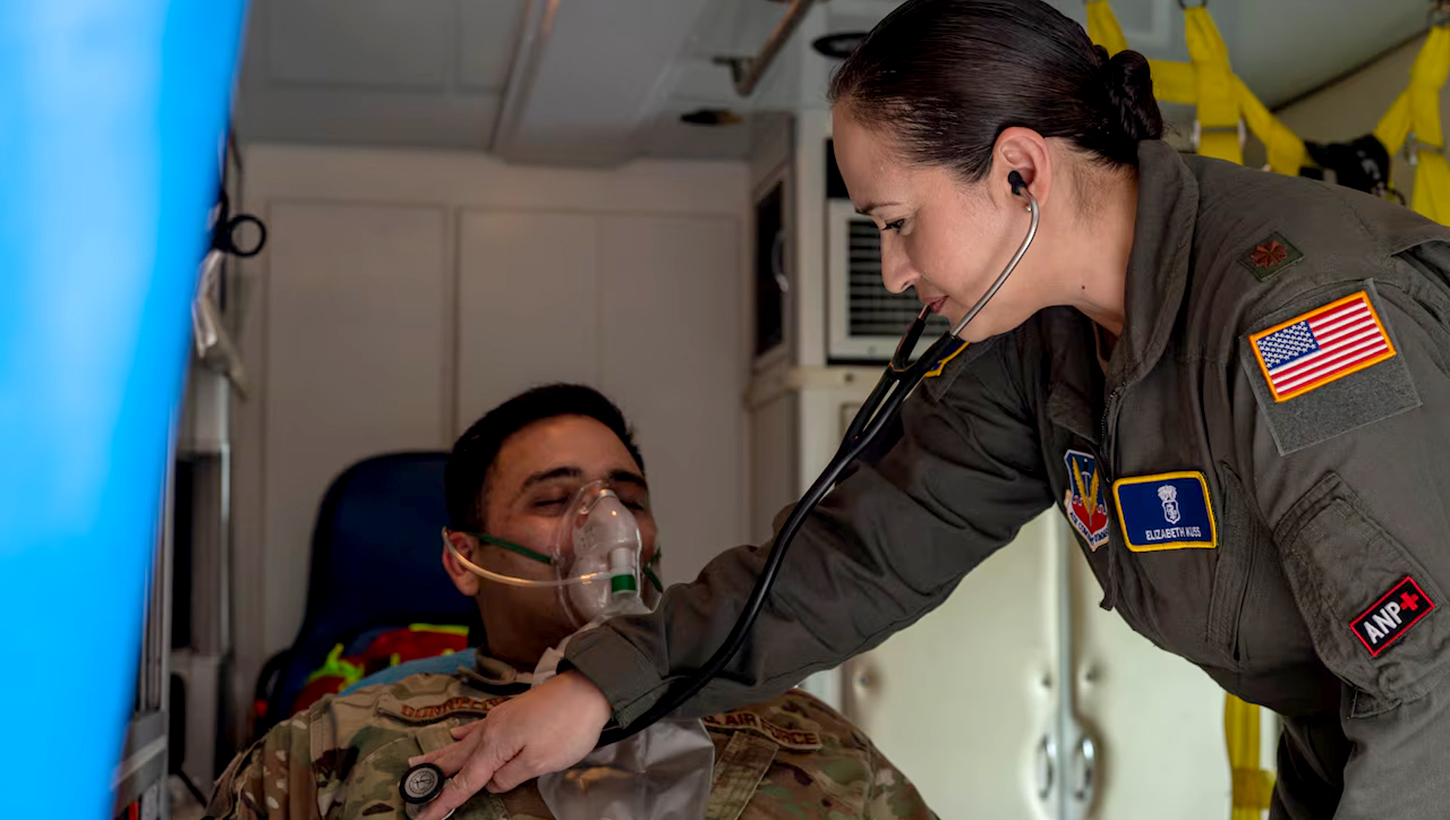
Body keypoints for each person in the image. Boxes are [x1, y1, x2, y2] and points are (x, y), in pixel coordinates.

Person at [406, 2, 1450, 819]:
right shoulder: (1046, 342)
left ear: (1018, 169)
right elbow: (853, 558)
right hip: (1350, 747)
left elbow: (1433, 680)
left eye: (897, 223)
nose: (894, 270)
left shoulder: (1300, 317)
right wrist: (602, 686)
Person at [203, 384, 935, 820]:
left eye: (630, 498)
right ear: (465, 560)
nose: (606, 524)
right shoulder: (329, 749)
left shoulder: (806, 736)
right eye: (556, 498)